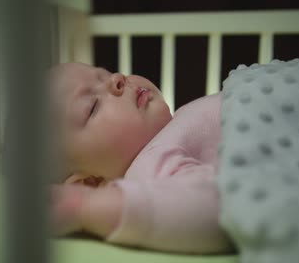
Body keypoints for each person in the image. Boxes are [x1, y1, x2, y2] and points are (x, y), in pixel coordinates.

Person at [49, 62, 233, 253]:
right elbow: (221, 208)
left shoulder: (175, 128)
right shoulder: (150, 163)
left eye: (106, 74)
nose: (117, 79)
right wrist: (85, 207)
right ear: (90, 183)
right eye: (93, 106)